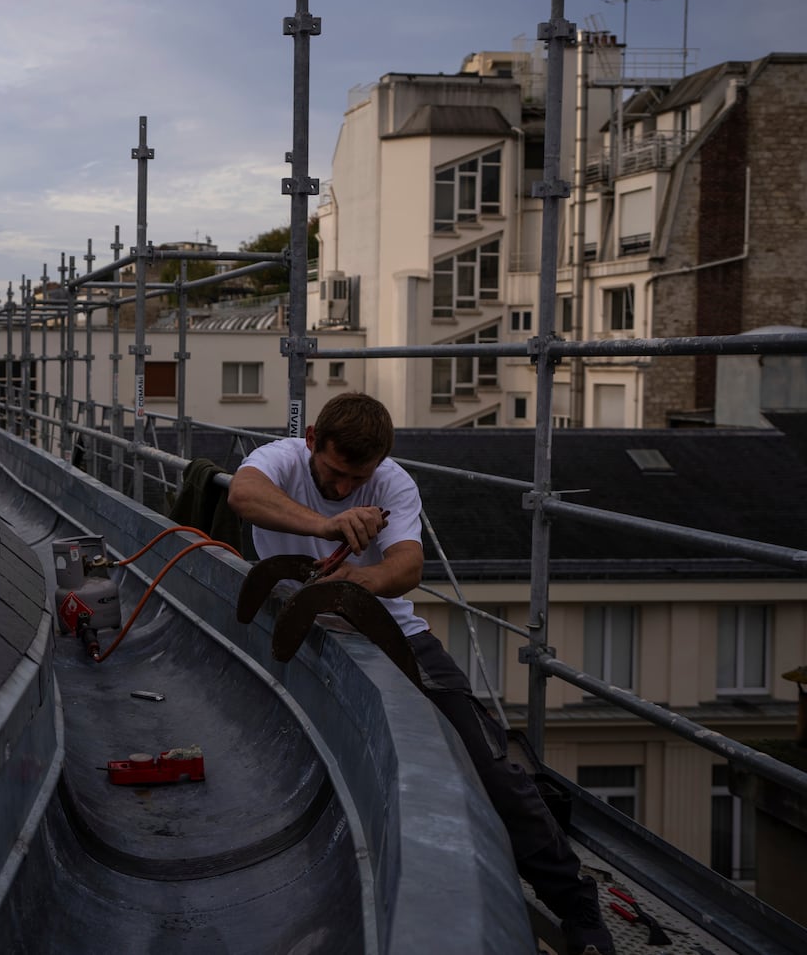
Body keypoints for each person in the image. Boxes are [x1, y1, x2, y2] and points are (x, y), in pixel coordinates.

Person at [227, 392, 614, 955]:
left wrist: (358, 585)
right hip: (306, 625)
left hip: (395, 631)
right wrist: (330, 525)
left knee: (493, 766)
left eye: (356, 480)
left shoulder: (392, 482)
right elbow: (243, 494)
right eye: (334, 474)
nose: (343, 489)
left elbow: (406, 567)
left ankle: (577, 908)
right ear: (311, 439)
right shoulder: (280, 459)